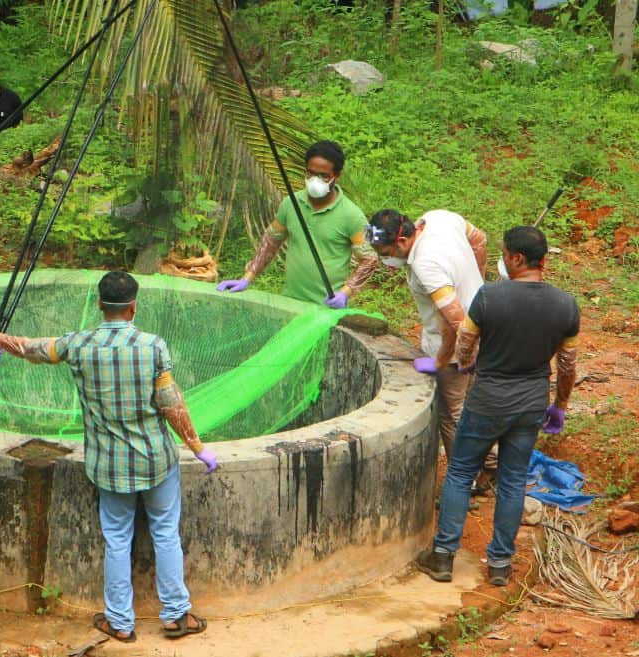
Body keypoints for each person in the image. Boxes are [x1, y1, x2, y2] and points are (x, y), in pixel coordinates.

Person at [0, 272, 217, 642]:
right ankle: (177, 616)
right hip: (155, 460)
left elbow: (34, 349)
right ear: (134, 306)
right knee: (166, 533)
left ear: (100, 305)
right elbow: (171, 404)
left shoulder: (79, 344)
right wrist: (198, 447)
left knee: (117, 539)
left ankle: (119, 622)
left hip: (109, 465)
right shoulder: (153, 347)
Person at [415, 226, 579, 586]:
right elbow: (567, 364)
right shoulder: (566, 305)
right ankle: (501, 565)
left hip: (489, 398)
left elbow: (465, 342)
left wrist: (469, 363)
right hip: (532, 400)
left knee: (460, 471)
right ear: (544, 260)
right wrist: (560, 405)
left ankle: (443, 556)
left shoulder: (489, 297)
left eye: (504, 254)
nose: (502, 259)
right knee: (513, 479)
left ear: (517, 259)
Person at [365, 209, 497, 479]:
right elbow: (480, 240)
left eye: (384, 251)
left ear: (401, 241)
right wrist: (479, 289)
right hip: (483, 325)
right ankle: (487, 467)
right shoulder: (438, 218)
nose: (384, 258)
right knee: (472, 404)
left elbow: (455, 322)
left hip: (455, 346)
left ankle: (471, 477)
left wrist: (448, 359)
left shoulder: (426, 264)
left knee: (453, 414)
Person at [217, 140, 377, 308]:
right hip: (290, 302)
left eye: (324, 176)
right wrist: (247, 278)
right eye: (311, 173)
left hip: (327, 308)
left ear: (337, 176)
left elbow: (370, 258)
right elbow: (271, 242)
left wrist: (345, 292)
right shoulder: (290, 204)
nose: (315, 180)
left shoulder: (353, 215)